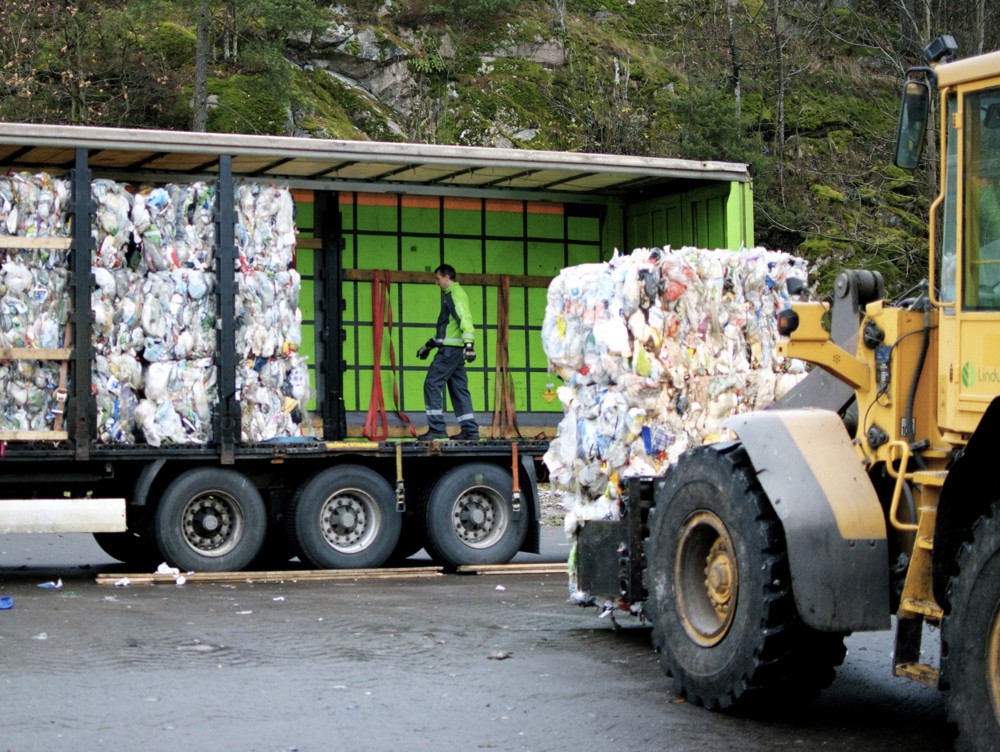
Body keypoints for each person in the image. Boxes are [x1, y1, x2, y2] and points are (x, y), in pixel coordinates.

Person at [415, 264, 479, 441]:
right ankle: (470, 430)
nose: (436, 283)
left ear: (446, 277)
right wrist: (429, 345)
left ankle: (436, 428)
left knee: (431, 383)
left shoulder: (455, 295)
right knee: (459, 389)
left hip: (450, 352)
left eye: (437, 279)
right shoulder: (453, 295)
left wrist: (469, 344)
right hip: (455, 351)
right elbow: (449, 330)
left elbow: (464, 318)